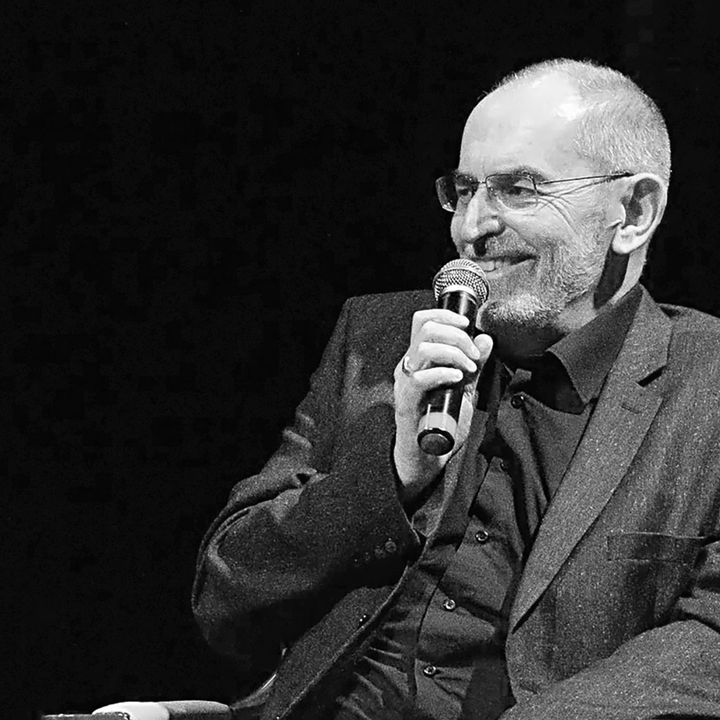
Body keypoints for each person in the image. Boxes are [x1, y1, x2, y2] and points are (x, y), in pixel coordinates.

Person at [191, 58, 720, 720]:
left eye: (518, 190)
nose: (470, 229)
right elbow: (228, 599)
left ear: (634, 212)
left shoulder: (706, 383)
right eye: (464, 190)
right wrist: (392, 474)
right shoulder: (379, 340)